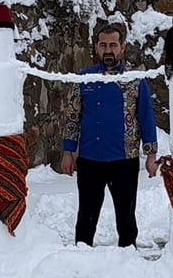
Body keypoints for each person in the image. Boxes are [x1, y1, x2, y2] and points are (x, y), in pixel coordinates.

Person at [61, 22, 159, 247]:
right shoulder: (84, 78)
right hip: (90, 159)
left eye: (113, 45)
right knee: (86, 216)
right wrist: (68, 151)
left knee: (126, 218)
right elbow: (72, 117)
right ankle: (81, 255)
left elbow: (146, 117)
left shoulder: (135, 79)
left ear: (122, 47)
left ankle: (128, 257)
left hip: (124, 159)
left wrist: (151, 155)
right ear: (96, 47)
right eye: (103, 45)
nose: (108, 50)